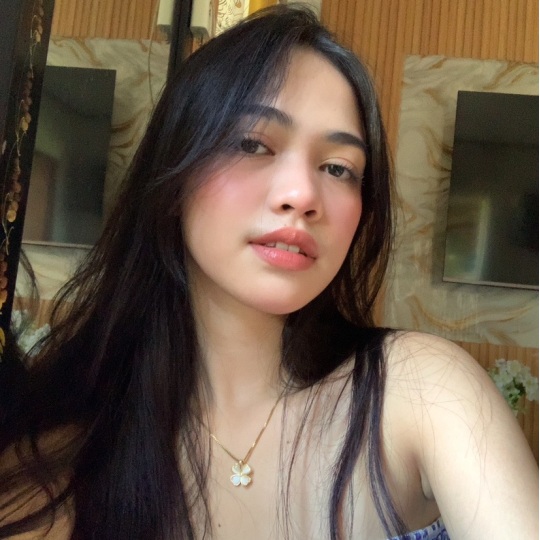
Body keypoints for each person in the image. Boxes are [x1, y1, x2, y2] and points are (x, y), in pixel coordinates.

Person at [0, 5, 537, 539]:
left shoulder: (421, 390)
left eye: (338, 168)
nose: (302, 195)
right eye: (252, 144)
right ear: (175, 172)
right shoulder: (53, 455)